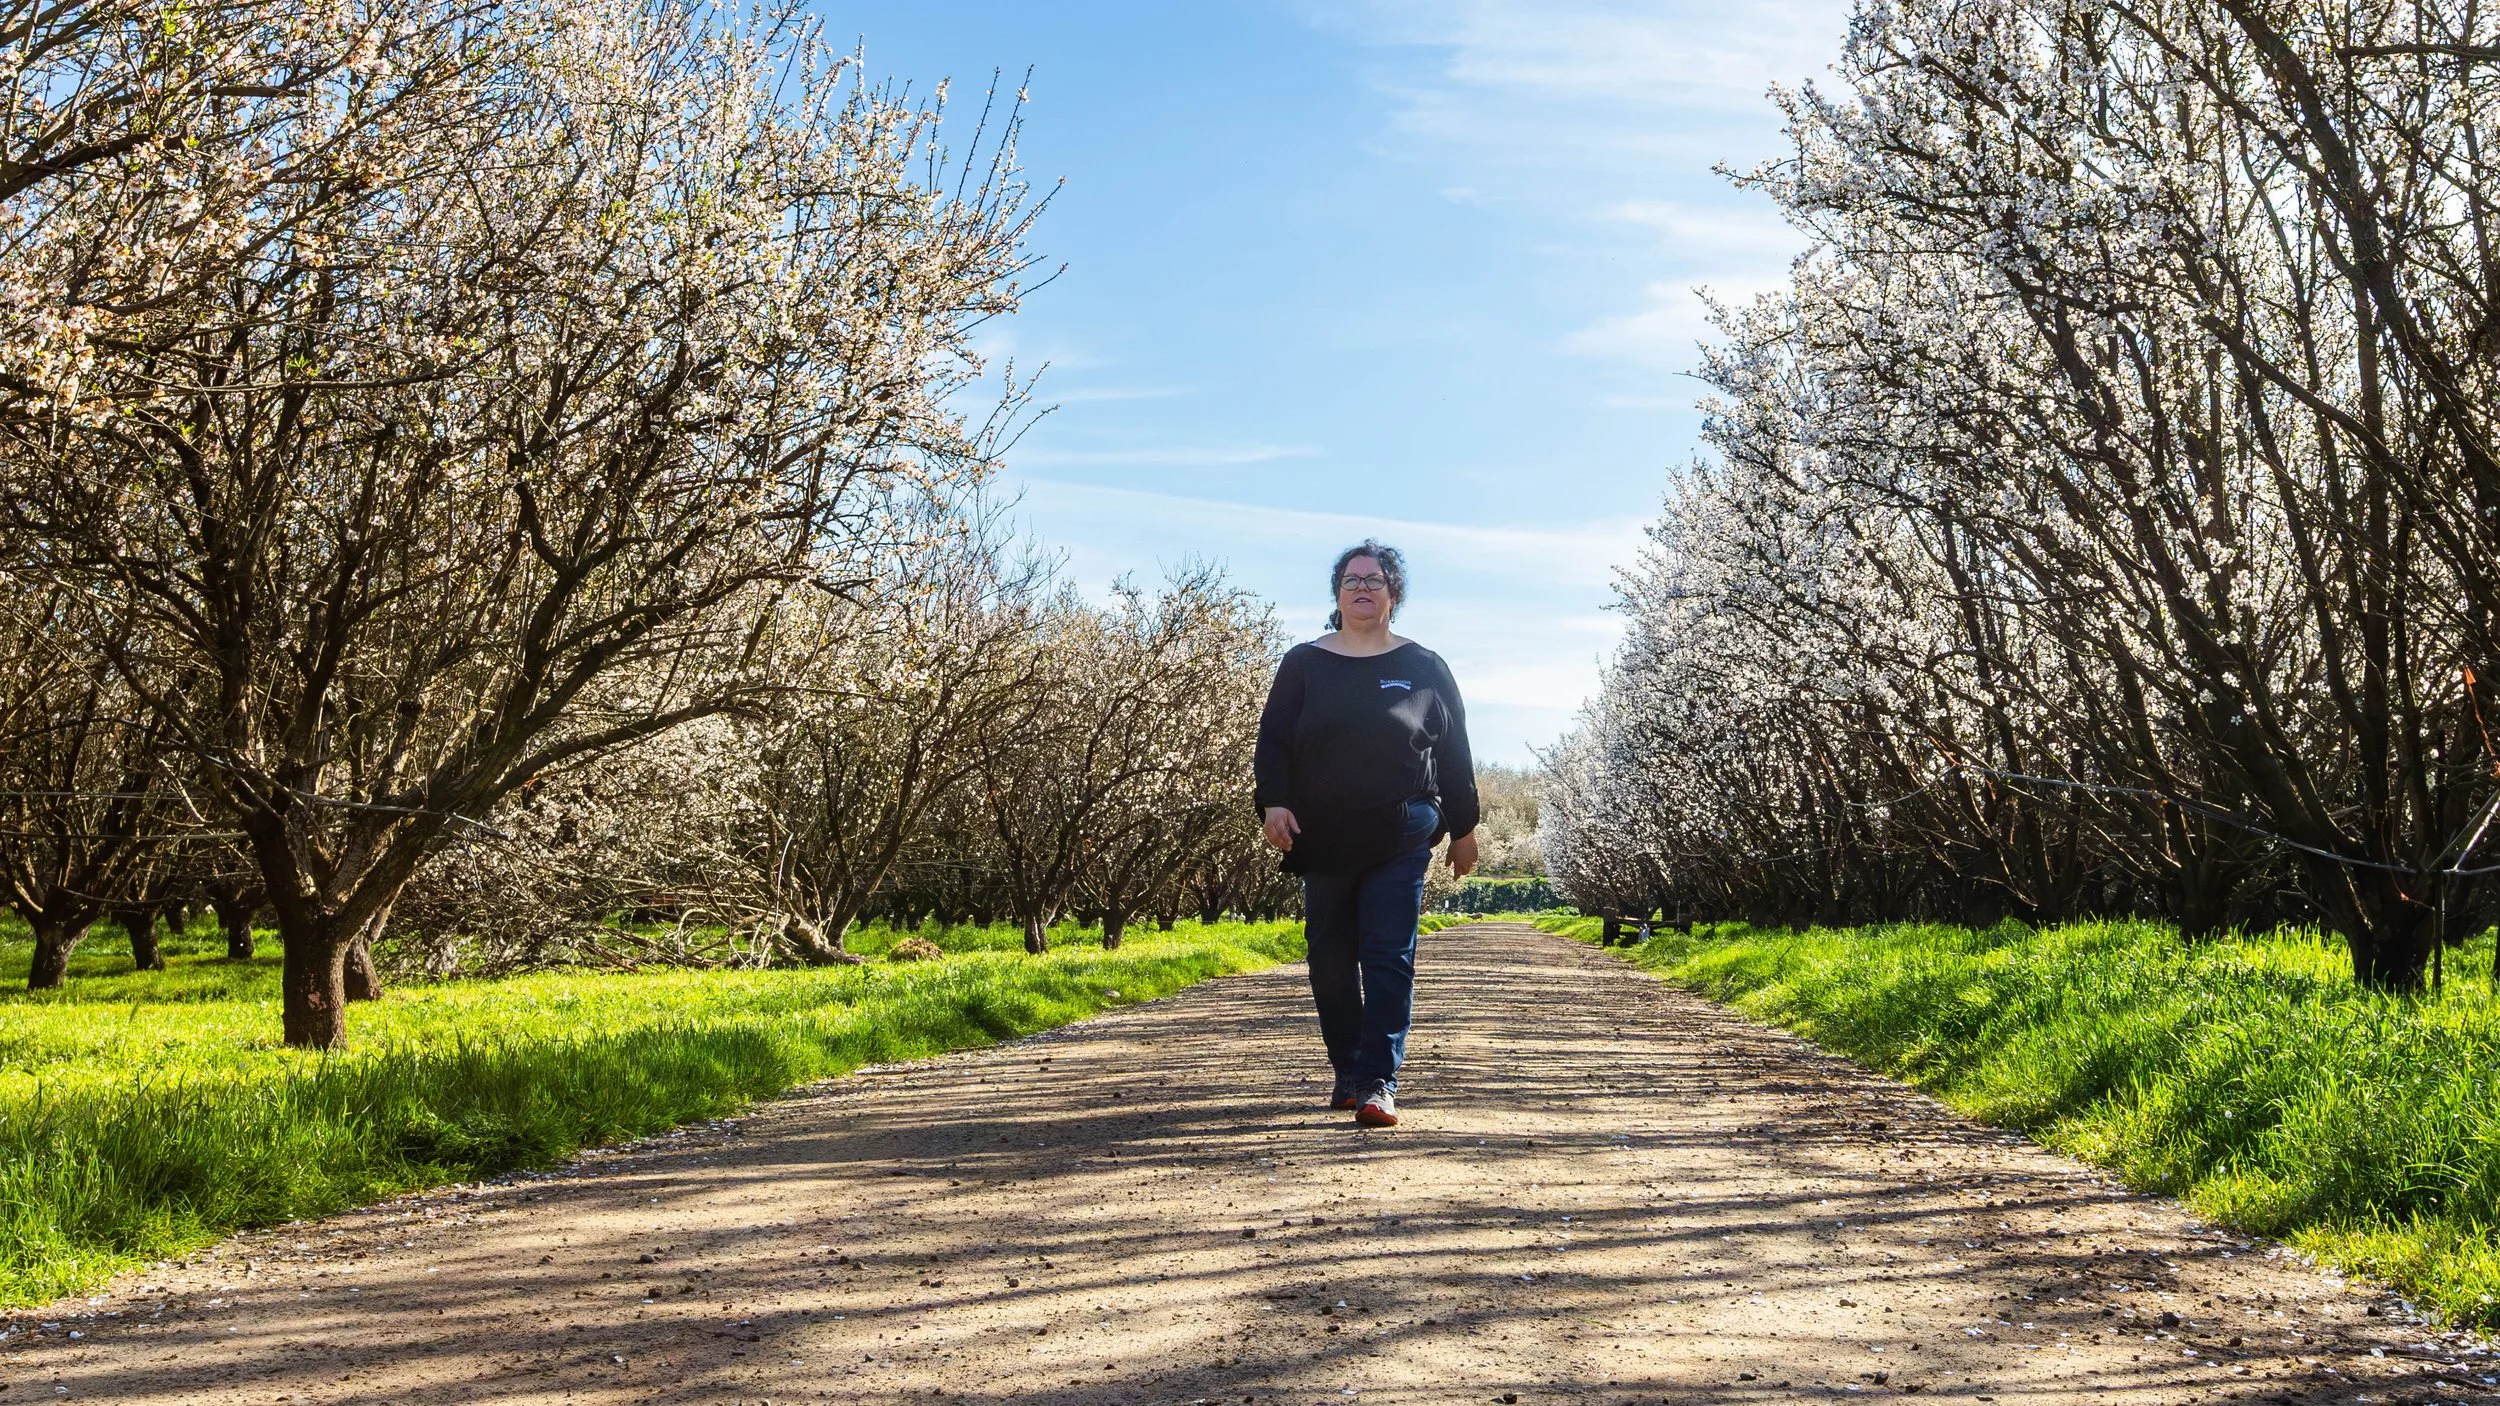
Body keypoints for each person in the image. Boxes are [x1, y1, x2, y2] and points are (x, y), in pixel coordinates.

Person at [1252, 540, 1479, 1128]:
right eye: (1351, 579)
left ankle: (1379, 1081)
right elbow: (1273, 738)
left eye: (1374, 579)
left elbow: (1453, 750)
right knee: (1329, 959)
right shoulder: (1304, 663)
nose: (1362, 587)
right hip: (1321, 833)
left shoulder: (1423, 666)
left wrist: (1464, 827)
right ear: (1336, 592)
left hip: (1402, 828)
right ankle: (1348, 1069)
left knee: (1387, 954)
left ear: (1392, 593)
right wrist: (1273, 804)